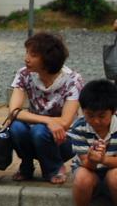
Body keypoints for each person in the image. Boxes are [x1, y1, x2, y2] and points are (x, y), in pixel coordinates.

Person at [9, 32, 82, 184]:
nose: (26, 58)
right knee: (16, 127)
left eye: (33, 55)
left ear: (48, 59)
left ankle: (55, 168)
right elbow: (14, 112)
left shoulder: (72, 80)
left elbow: (65, 122)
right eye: (27, 52)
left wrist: (42, 123)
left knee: (39, 131)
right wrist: (48, 121)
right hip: (36, 133)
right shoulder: (24, 74)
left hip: (63, 140)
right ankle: (26, 165)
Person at [66, 79, 117, 206]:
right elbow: (85, 163)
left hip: (113, 170)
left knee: (115, 176)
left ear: (113, 111)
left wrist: (103, 159)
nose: (96, 121)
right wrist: (93, 159)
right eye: (90, 115)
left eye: (102, 116)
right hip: (89, 170)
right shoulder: (78, 127)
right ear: (83, 111)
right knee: (82, 177)